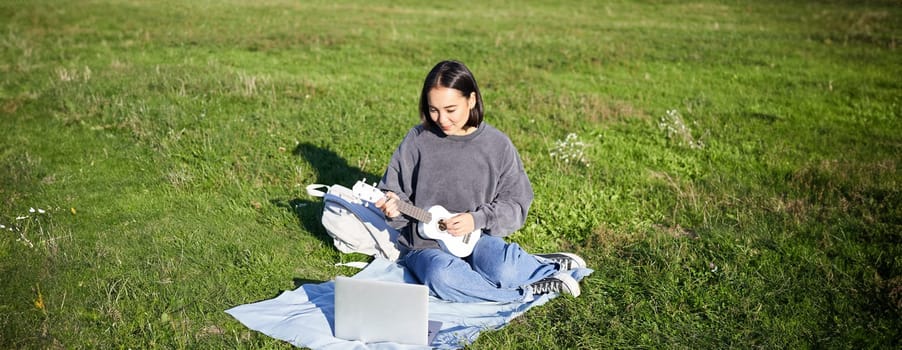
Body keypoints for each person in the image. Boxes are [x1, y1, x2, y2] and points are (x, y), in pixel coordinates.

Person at [374, 60, 586, 303]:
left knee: (504, 269)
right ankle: (526, 291)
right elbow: (393, 193)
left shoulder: (497, 145)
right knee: (442, 276)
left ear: (471, 100)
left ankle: (539, 267)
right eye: (433, 110)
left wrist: (477, 219)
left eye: (450, 109)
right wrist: (392, 210)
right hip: (425, 247)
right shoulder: (418, 139)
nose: (442, 119)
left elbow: (516, 204)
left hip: (478, 238)